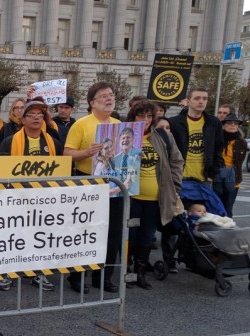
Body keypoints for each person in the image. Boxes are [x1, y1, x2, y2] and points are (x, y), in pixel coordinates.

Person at [0, 100, 63, 292]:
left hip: (44, 201)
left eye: (40, 115)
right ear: (22, 119)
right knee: (12, 236)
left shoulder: (53, 143)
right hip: (16, 199)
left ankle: (38, 273)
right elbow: (0, 171)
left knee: (40, 237)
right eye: (31, 114)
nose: (36, 118)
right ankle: (7, 272)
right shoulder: (9, 142)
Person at [64, 81, 122, 294]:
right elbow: (68, 153)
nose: (109, 99)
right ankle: (77, 276)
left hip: (114, 184)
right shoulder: (81, 124)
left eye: (111, 95)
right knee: (84, 231)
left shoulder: (119, 124)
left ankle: (103, 277)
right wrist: (87, 153)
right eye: (104, 96)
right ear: (92, 103)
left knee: (113, 233)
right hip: (87, 182)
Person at [125, 100, 184, 290]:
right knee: (130, 238)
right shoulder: (125, 134)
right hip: (131, 198)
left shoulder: (162, 136)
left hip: (154, 198)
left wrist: (175, 186)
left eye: (149, 116)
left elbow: (176, 160)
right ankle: (127, 274)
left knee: (146, 238)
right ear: (133, 117)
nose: (145, 119)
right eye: (141, 116)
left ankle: (140, 274)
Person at [166, 86, 223, 272]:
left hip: (202, 179)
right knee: (174, 218)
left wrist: (213, 173)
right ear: (188, 101)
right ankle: (169, 259)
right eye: (197, 98)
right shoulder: (175, 122)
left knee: (201, 219)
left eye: (205, 98)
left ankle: (196, 257)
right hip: (180, 177)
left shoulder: (213, 122)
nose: (201, 101)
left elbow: (218, 149)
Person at [218, 113, 247, 217]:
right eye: (229, 123)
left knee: (228, 208)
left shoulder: (242, 142)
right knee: (215, 205)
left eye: (235, 123)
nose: (233, 125)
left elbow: (240, 161)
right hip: (218, 174)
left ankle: (228, 230)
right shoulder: (217, 139)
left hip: (233, 176)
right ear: (224, 125)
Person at [112, 127, 142, 193]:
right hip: (118, 193)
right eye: (123, 138)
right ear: (119, 141)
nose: (125, 140)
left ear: (133, 139)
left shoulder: (139, 155)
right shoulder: (115, 159)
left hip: (134, 193)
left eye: (128, 137)